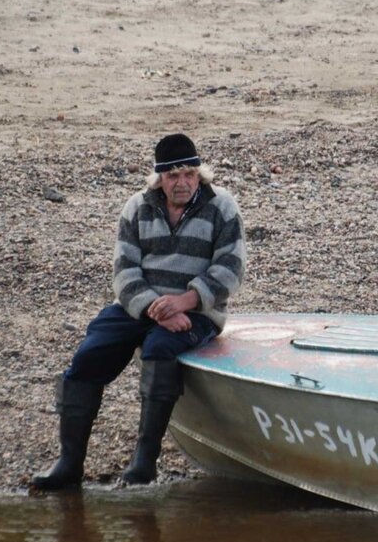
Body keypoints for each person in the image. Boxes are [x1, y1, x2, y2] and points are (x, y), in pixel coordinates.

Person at [31, 133, 246, 491]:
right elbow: (124, 273)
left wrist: (187, 301)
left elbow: (231, 269)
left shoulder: (222, 207)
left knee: (159, 349)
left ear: (200, 174)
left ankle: (144, 462)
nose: (182, 183)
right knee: (90, 353)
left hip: (198, 310)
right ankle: (69, 465)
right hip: (140, 305)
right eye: (173, 176)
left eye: (189, 174)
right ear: (159, 179)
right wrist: (153, 307)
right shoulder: (136, 207)